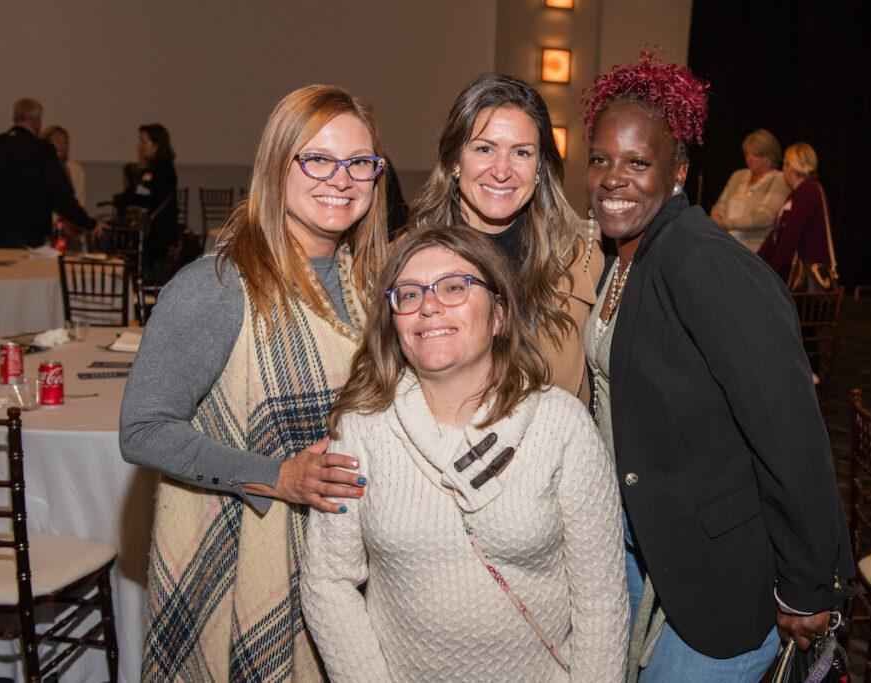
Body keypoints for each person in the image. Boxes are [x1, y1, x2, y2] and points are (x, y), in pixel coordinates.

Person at [582, 50, 853, 681]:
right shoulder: (626, 256)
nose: (614, 178)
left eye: (638, 162)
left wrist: (810, 583)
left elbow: (789, 430)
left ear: (678, 171)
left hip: (720, 573)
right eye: (600, 159)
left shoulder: (705, 265)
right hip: (647, 541)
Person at [119, 85, 389, 681]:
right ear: (276, 164)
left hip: (350, 566)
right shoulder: (216, 285)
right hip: (243, 563)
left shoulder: (372, 283)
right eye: (317, 159)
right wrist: (276, 475)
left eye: (359, 162)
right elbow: (143, 430)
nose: (341, 179)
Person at [300, 225, 628, 681]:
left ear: (498, 315)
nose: (429, 305)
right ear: (394, 324)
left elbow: (602, 598)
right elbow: (328, 581)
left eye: (454, 287)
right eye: (409, 294)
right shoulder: (362, 428)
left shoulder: (561, 425)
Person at [410, 74, 603, 403]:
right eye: (484, 149)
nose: (502, 171)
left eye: (521, 153)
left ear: (540, 166)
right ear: (455, 160)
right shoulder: (409, 263)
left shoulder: (580, 255)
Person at [0, 98, 104, 247]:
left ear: (15, 117)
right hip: (29, 234)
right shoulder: (42, 149)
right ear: (37, 119)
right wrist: (89, 223)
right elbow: (60, 195)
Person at [113, 123, 180, 283]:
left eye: (144, 141)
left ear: (157, 144)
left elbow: (154, 199)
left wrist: (128, 201)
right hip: (144, 235)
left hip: (157, 235)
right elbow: (132, 194)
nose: (139, 145)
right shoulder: (147, 168)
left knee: (152, 279)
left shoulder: (164, 169)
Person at [757, 142, 832, 283]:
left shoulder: (808, 192)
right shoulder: (799, 193)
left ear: (790, 166)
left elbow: (791, 236)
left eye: (785, 163)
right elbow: (778, 234)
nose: (783, 169)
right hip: (790, 274)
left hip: (803, 278)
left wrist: (772, 271)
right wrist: (757, 262)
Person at [709, 128, 789, 251]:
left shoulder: (780, 179)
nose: (749, 158)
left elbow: (766, 216)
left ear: (769, 157)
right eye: (747, 154)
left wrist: (729, 223)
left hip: (754, 250)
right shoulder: (738, 175)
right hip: (725, 243)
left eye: (755, 155)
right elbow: (720, 204)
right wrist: (716, 217)